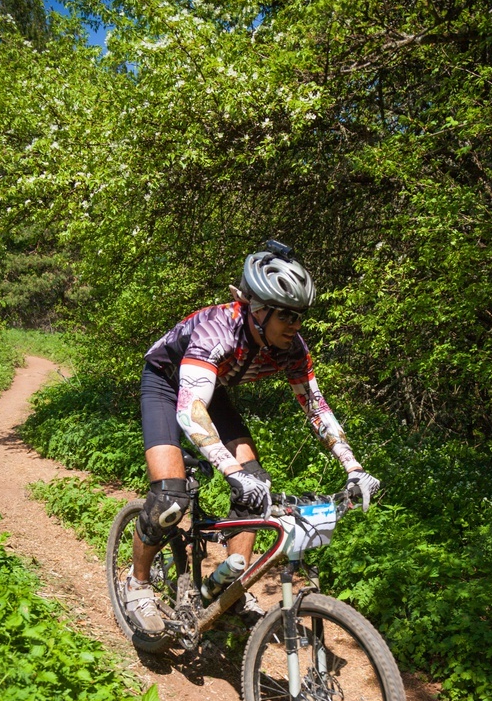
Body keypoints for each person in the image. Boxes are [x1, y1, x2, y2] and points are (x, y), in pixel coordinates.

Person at [125, 240, 380, 633]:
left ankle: (230, 591)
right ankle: (137, 584)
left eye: (299, 317)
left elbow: (315, 406)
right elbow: (190, 411)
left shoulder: (292, 348)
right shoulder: (216, 330)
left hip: (212, 390)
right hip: (166, 384)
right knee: (169, 498)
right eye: (285, 316)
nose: (294, 326)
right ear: (256, 310)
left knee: (256, 485)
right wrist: (230, 469)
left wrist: (353, 466)